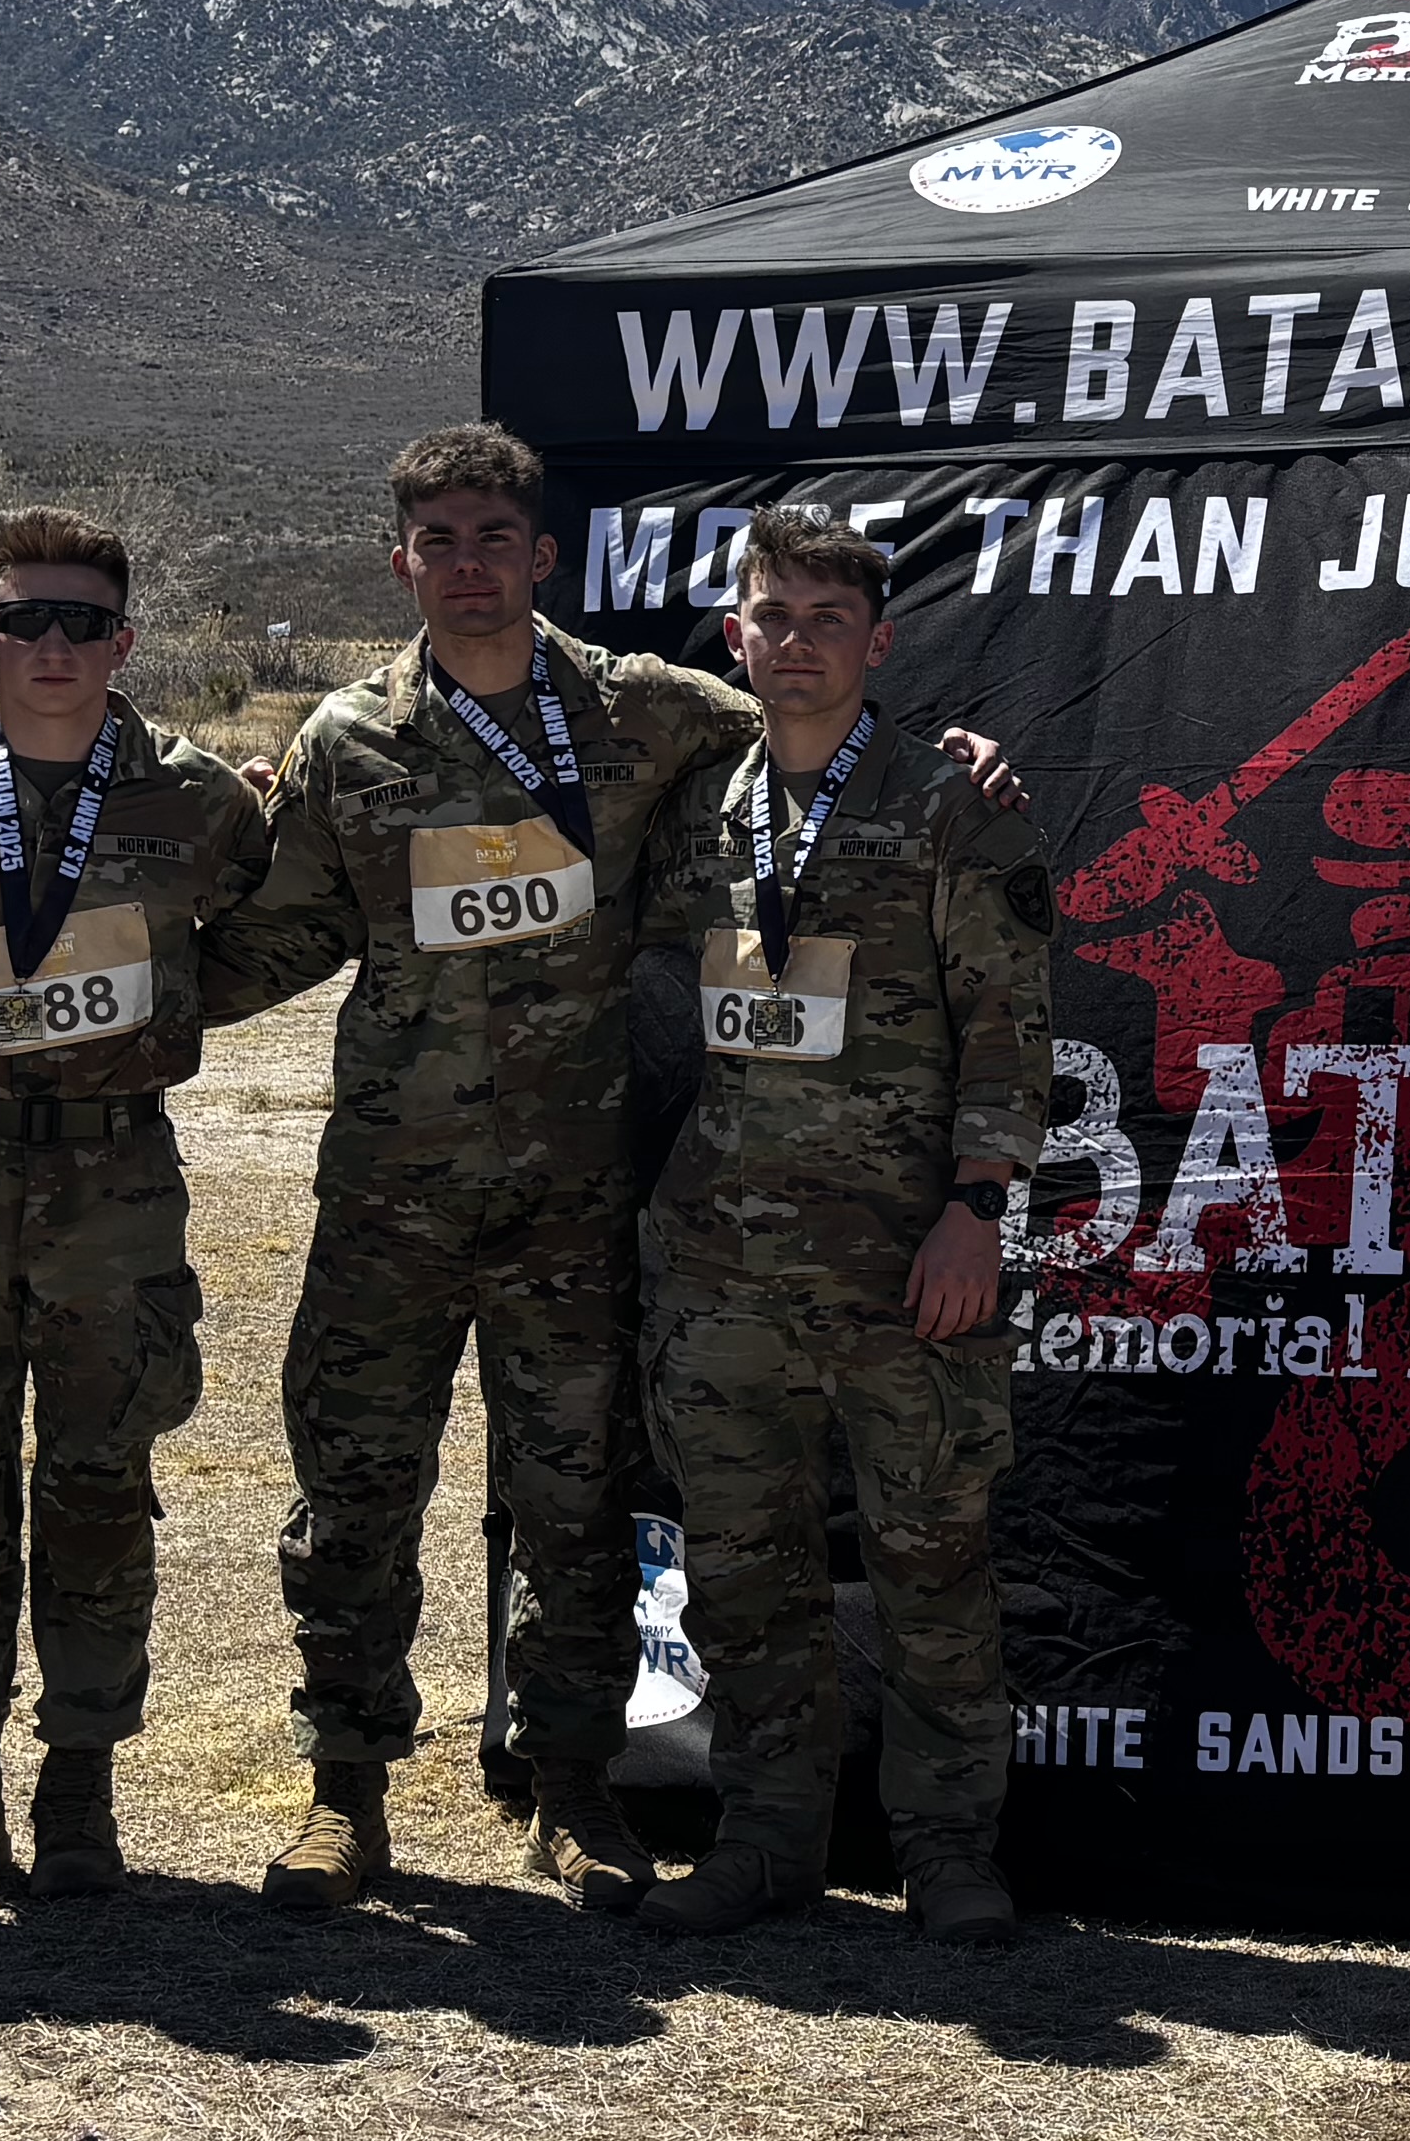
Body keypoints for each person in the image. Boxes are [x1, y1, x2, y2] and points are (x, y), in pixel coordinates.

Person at [200, 425, 768, 1916]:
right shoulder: (349, 739)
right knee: (354, 1496)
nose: (467, 565)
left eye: (492, 538)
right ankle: (346, 1793)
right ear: (401, 562)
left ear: (543, 556)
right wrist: (121, 993)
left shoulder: (645, 714)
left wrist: (947, 749)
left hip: (571, 1204)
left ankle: (575, 1795)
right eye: (438, 540)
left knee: (576, 1505)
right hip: (391, 1197)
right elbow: (290, 932)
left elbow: (803, 728)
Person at [0, 511, 279, 1905]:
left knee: (98, 1492)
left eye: (84, 623)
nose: (55, 647)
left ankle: (80, 1791)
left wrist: (176, 1012)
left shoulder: (196, 798)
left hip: (113, 1185)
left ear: (124, 642)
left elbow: (296, 915)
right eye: (26, 620)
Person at [618, 511, 1051, 1940]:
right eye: (769, 615)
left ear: (877, 640)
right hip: (723, 1271)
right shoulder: (698, 807)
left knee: (933, 1566)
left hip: (901, 1266)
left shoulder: (949, 805)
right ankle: (766, 1840)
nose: (793, 641)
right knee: (744, 1572)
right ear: (732, 635)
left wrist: (978, 1212)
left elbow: (1010, 1030)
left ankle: (947, 1852)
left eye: (824, 617)